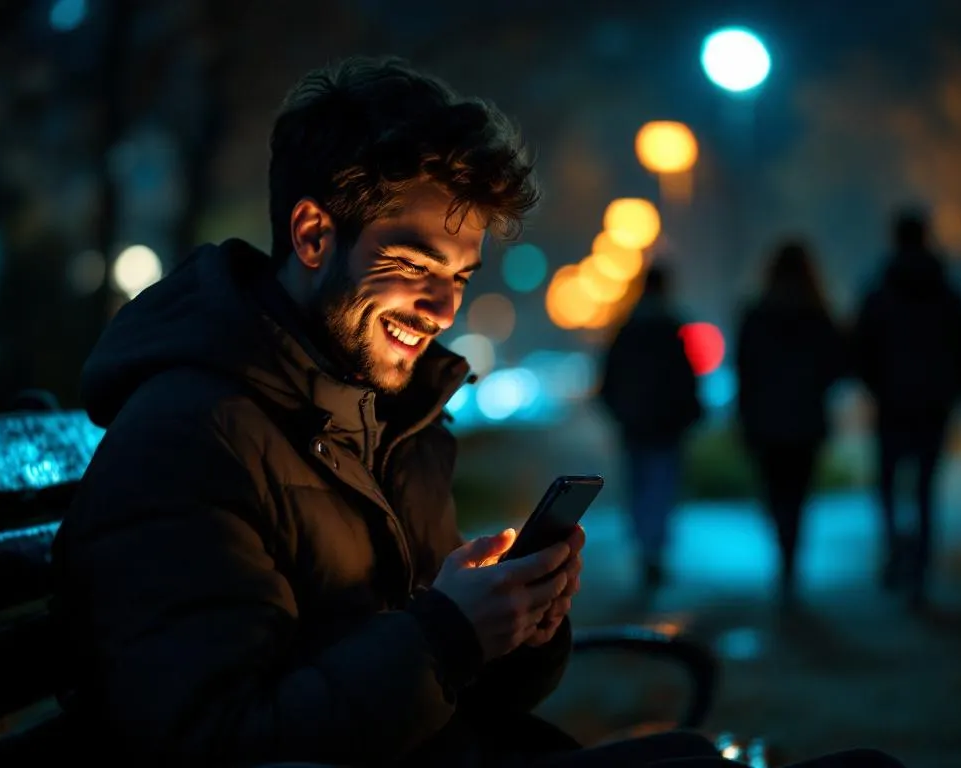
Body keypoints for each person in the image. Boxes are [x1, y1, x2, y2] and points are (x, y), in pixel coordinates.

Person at [52, 56, 904, 768]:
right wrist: (450, 635)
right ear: (314, 236)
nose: (442, 308)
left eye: (458, 277)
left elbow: (440, 681)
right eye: (416, 263)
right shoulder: (189, 441)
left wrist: (519, 621)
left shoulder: (388, 421)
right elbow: (219, 743)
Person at [852, 209, 961, 608]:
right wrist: (952, 389)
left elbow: (860, 348)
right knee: (925, 492)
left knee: (889, 488)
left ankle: (896, 552)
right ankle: (920, 571)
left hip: (892, 405)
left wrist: (876, 386)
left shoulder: (880, 293)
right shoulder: (948, 294)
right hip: (932, 406)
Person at [734, 240, 846, 608]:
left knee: (775, 492)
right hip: (804, 421)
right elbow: (837, 364)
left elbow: (745, 370)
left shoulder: (757, 314)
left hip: (767, 422)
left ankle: (784, 552)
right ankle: (791, 558)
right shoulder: (818, 315)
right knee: (798, 494)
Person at [598, 264, 703, 592]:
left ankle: (644, 547)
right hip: (666, 425)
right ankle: (654, 548)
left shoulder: (626, 329)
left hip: (635, 425)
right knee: (662, 485)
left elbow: (608, 380)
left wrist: (620, 411)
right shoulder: (672, 328)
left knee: (639, 485)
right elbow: (686, 379)